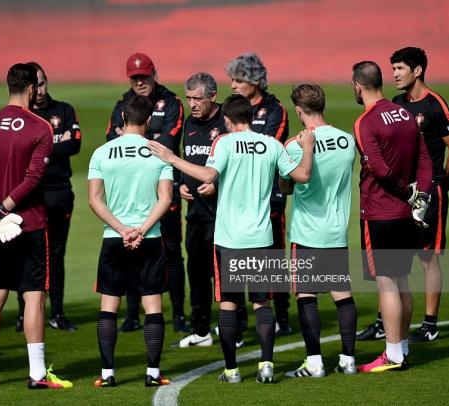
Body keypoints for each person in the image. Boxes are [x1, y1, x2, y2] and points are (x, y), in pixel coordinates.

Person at [149, 94, 315, 384]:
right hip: (263, 237)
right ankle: (266, 366)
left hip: (229, 239)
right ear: (250, 116)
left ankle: (231, 370)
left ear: (226, 118)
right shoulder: (272, 145)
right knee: (262, 304)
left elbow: (209, 175)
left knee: (228, 303)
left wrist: (172, 159)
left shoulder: (223, 142)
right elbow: (302, 176)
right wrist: (308, 148)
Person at [0, 63, 72, 389]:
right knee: (33, 298)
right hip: (29, 224)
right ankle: (37, 374)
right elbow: (33, 179)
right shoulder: (40, 126)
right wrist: (5, 210)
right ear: (30, 89)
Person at [358, 47, 449, 343]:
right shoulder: (398, 104)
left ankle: (430, 324)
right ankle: (383, 322)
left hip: (430, 191)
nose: (394, 74)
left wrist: (442, 181)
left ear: (417, 71)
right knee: (394, 260)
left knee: (427, 257)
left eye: (400, 68)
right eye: (392, 69)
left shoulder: (435, 105)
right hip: (402, 195)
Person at [350, 61, 433, 373]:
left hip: (380, 212)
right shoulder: (406, 114)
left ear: (358, 85)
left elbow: (380, 169)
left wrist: (405, 192)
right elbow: (425, 160)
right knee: (402, 282)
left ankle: (393, 354)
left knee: (386, 283)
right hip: (406, 214)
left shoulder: (366, 121)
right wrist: (420, 195)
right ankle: (403, 347)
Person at [89, 95, 173, 387]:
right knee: (153, 306)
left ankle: (107, 374)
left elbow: (95, 200)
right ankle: (152, 373)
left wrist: (123, 230)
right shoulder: (161, 153)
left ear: (122, 119)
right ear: (149, 120)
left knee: (109, 305)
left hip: (114, 239)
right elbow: (166, 198)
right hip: (150, 239)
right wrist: (141, 229)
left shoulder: (102, 152)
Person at [279, 84, 358, 378]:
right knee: (342, 295)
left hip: (307, 232)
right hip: (336, 230)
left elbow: (286, 186)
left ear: (299, 111)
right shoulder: (347, 140)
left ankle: (314, 363)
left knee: (306, 295)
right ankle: (348, 360)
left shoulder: (294, 145)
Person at [106, 52, 187, 333]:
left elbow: (170, 140)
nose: (139, 82)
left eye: (144, 76)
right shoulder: (122, 103)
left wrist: (132, 139)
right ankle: (131, 315)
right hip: (133, 189)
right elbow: (110, 139)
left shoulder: (172, 102)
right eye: (134, 77)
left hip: (165, 187)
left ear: (154, 74)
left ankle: (178, 314)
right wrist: (150, 141)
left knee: (172, 251)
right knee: (131, 249)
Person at [226, 52, 292, 337]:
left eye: (239, 79)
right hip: (236, 197)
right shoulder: (230, 109)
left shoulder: (275, 109)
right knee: (235, 261)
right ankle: (238, 319)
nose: (233, 85)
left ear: (255, 80)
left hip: (269, 197)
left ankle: (281, 316)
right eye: (232, 79)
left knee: (273, 259)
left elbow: (272, 149)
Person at [15, 61, 81, 332]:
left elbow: (74, 144)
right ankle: (23, 314)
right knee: (26, 254)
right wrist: (53, 141)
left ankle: (57, 312)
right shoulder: (20, 116)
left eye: (42, 83)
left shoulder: (63, 110)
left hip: (58, 192)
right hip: (28, 195)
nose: (39, 90)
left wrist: (39, 148)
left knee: (56, 254)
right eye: (35, 85)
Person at [174, 73, 226, 348]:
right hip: (195, 214)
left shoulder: (225, 123)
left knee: (227, 272)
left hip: (221, 214)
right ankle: (201, 329)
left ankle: (236, 328)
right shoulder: (190, 124)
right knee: (196, 272)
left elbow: (235, 165)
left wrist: (218, 185)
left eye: (198, 98)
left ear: (213, 96)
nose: (192, 104)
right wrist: (181, 184)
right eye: (189, 98)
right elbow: (186, 159)